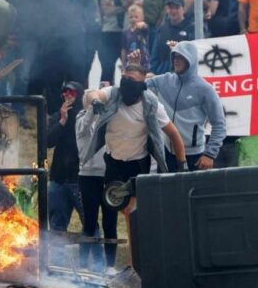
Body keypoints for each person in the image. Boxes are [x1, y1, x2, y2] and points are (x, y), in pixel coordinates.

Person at [81, 64, 186, 268]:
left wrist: (182, 166)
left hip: (138, 164)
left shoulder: (151, 104)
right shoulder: (113, 94)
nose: (127, 85)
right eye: (125, 79)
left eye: (133, 81)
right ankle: (110, 267)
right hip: (113, 162)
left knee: (134, 212)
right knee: (110, 211)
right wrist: (94, 101)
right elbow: (92, 94)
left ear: (142, 85)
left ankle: (136, 262)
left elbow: (174, 134)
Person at [146, 41, 226, 171]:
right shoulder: (164, 80)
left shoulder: (205, 89)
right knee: (166, 191)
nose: (176, 61)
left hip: (194, 156)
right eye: (174, 57)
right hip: (167, 153)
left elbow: (220, 124)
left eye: (181, 57)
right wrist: (136, 65)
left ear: (191, 60)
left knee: (192, 192)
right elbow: (137, 87)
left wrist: (210, 154)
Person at [47, 82, 85, 264]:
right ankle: (56, 266)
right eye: (65, 92)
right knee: (56, 226)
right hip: (59, 178)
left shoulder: (86, 116)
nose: (68, 96)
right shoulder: (58, 116)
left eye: (72, 92)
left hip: (81, 179)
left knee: (90, 224)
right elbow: (47, 141)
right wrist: (61, 121)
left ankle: (93, 266)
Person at [76, 90, 107, 273]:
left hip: (106, 174)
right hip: (87, 175)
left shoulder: (104, 118)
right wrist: (92, 108)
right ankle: (82, 263)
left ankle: (104, 264)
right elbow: (84, 126)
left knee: (108, 221)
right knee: (89, 221)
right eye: (92, 101)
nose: (96, 103)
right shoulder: (81, 118)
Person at [98, 0, 137, 85]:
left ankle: (129, 96)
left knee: (129, 69)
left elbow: (128, 0)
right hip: (108, 32)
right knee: (107, 70)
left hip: (126, 32)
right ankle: (104, 100)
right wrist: (125, 7)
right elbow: (107, 10)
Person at [151, 0, 195, 75]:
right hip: (162, 76)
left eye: (177, 7)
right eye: (171, 8)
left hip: (183, 76)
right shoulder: (162, 29)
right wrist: (153, 72)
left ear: (183, 9)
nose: (173, 11)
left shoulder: (191, 29)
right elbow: (155, 56)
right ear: (167, 10)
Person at [121, 4, 150, 69]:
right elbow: (124, 50)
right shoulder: (125, 32)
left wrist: (143, 24)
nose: (133, 19)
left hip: (143, 61)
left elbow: (145, 27)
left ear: (142, 17)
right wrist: (123, 64)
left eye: (136, 17)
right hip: (130, 61)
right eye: (131, 17)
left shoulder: (143, 29)